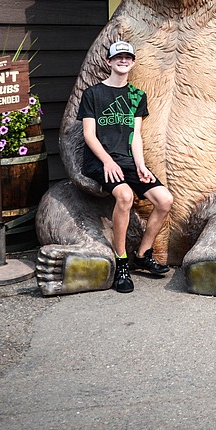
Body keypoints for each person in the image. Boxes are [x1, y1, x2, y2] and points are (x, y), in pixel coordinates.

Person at [78, 40, 173, 294]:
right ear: (109, 62)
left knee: (164, 200)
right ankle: (121, 261)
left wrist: (140, 166)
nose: (123, 60)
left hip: (128, 160)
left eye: (127, 57)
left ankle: (143, 254)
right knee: (125, 195)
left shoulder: (137, 96)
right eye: (118, 57)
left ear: (132, 62)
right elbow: (89, 134)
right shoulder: (93, 94)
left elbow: (136, 136)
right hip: (100, 161)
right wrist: (107, 160)